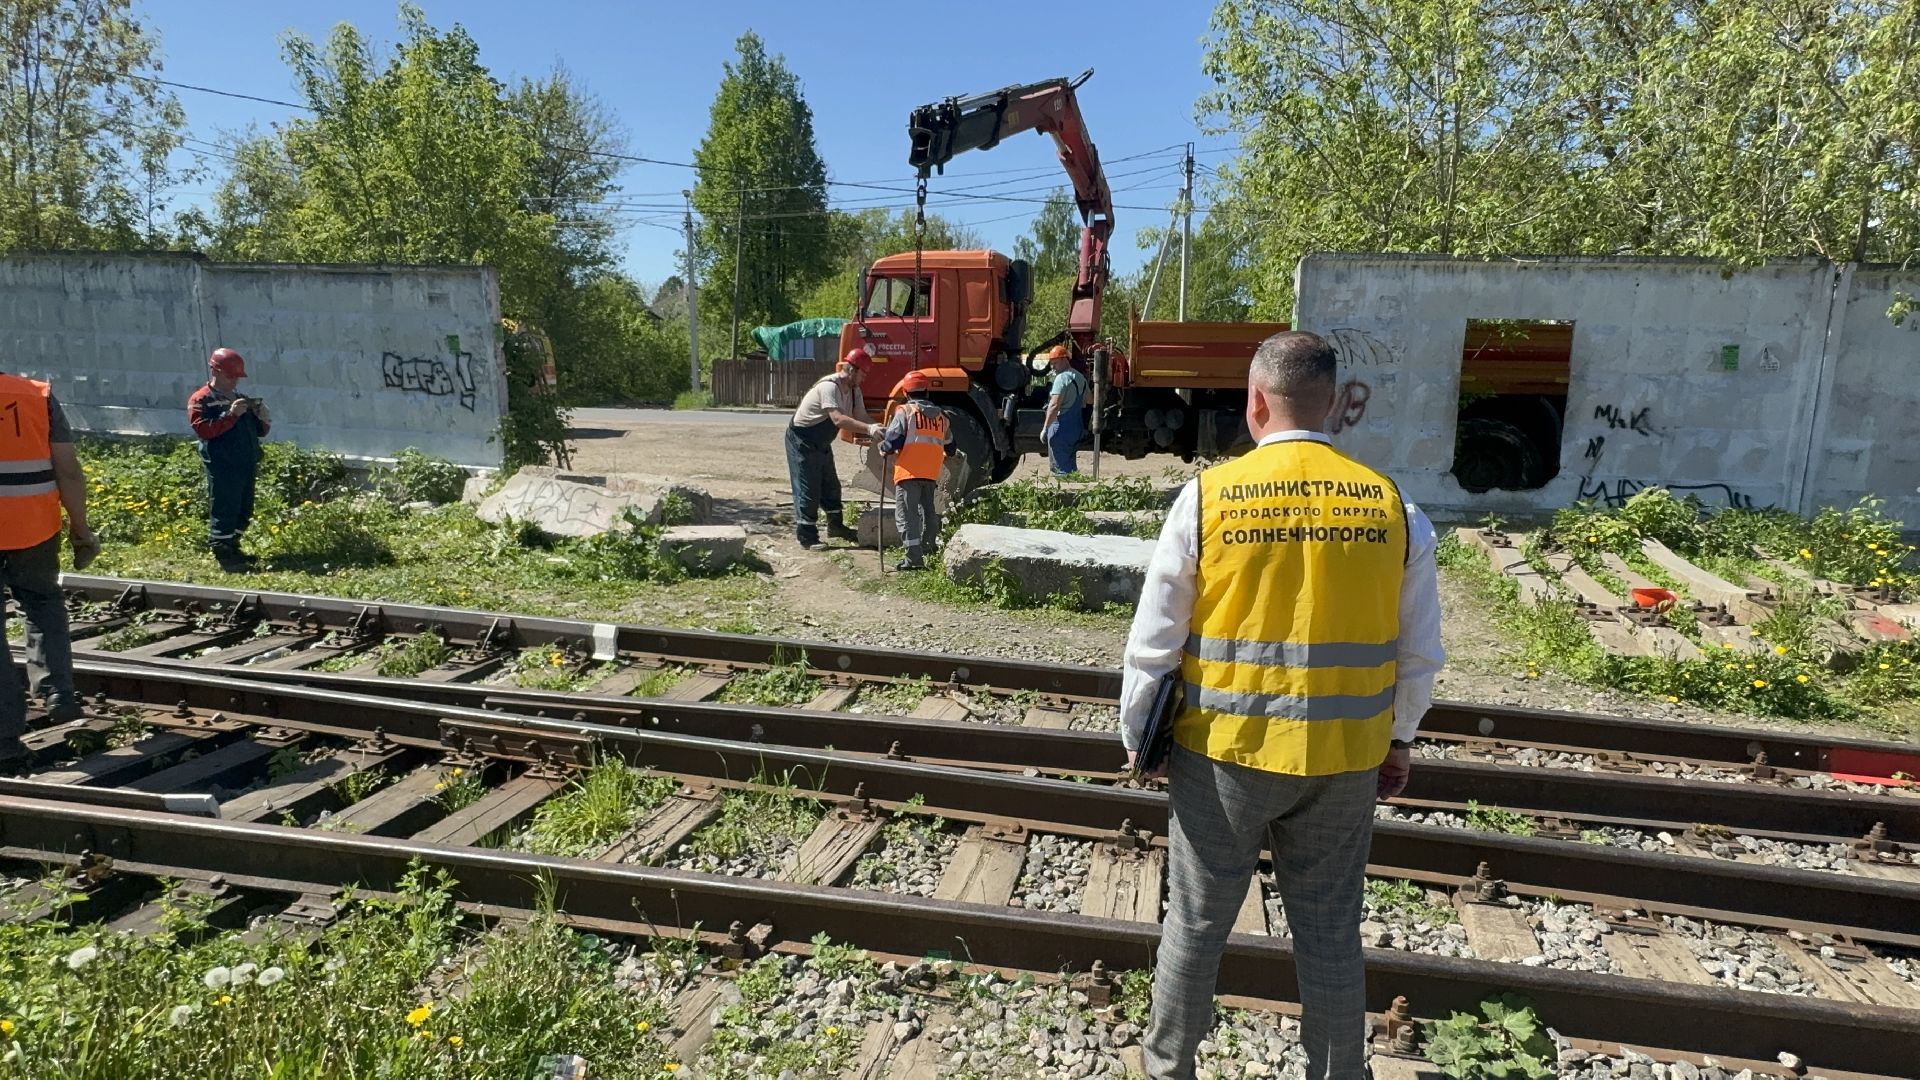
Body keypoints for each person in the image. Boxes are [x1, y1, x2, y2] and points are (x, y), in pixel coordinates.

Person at [1118, 331, 1444, 1080]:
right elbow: (1419, 655)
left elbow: (1154, 643)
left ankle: (1169, 1069)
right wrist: (1399, 743)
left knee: (1196, 927)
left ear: (1254, 402)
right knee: (1330, 933)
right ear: (1334, 406)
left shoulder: (1207, 496)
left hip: (1223, 757)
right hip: (1345, 762)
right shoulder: (1396, 508)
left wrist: (1142, 741)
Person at [1, 368, 98, 773]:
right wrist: (81, 529)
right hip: (33, 526)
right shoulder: (35, 395)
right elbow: (68, 469)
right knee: (42, 601)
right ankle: (58, 691)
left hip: (30, 524)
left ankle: (4, 736)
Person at [787, 349, 883, 551]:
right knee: (808, 488)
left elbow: (862, 416)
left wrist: (879, 430)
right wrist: (868, 429)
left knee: (831, 485)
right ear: (851, 370)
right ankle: (807, 537)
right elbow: (838, 419)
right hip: (802, 440)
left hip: (821, 442)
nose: (864, 379)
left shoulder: (854, 390)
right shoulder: (829, 387)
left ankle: (836, 528)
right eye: (863, 374)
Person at [187, 348, 270, 574]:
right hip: (223, 464)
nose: (233, 381)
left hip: (246, 460)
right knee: (225, 506)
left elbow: (259, 431)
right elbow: (204, 430)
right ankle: (222, 551)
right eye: (229, 376)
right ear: (215, 371)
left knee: (244, 508)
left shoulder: (241, 399)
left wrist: (262, 417)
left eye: (237, 377)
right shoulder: (201, 399)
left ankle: (233, 546)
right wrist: (231, 415)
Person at [877, 369, 954, 570]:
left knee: (907, 516)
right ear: (927, 392)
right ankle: (929, 551)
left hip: (908, 472)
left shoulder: (905, 412)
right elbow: (951, 448)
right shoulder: (942, 417)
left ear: (906, 392)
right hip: (930, 473)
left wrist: (883, 447)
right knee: (928, 513)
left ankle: (914, 560)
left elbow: (893, 440)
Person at [1040, 344, 1088, 476]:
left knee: (1061, 472)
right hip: (1076, 427)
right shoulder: (1080, 377)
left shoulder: (1061, 378)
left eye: (1055, 363)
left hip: (1061, 429)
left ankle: (1064, 495)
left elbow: (1054, 405)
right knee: (1071, 469)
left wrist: (1045, 428)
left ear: (1064, 360)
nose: (1053, 367)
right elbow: (1089, 400)